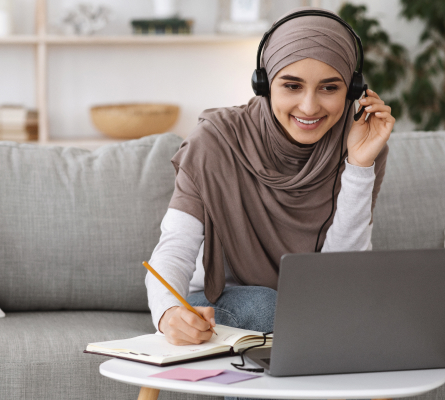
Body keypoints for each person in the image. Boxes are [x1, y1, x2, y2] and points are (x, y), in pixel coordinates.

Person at [145, 4, 394, 366]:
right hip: (218, 303)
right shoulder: (214, 141)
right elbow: (175, 249)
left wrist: (359, 165)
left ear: (353, 89)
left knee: (363, 317)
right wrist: (168, 313)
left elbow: (340, 279)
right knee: (265, 306)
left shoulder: (360, 143)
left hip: (311, 309)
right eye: (292, 85)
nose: (309, 107)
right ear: (264, 83)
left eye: (329, 87)